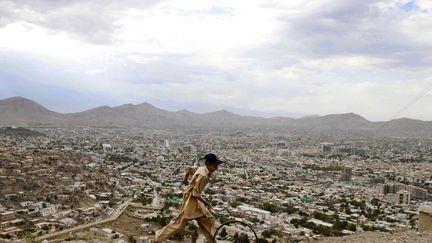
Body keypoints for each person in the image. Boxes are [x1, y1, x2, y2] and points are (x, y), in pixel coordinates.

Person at [154, 153, 224, 243]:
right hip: (191, 200)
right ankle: (158, 238)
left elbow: (189, 169)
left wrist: (185, 180)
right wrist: (207, 203)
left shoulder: (201, 169)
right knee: (179, 223)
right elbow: (195, 194)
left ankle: (212, 240)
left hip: (193, 198)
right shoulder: (204, 176)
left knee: (208, 218)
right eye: (215, 166)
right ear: (208, 164)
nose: (216, 168)